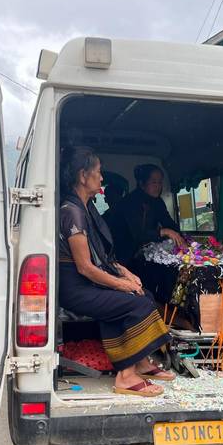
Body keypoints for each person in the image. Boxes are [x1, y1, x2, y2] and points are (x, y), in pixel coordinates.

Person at [59, 147, 174, 397]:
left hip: (87, 283)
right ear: (82, 176)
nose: (102, 178)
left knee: (145, 296)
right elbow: (85, 267)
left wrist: (125, 273)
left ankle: (141, 363)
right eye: (98, 172)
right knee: (136, 304)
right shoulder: (72, 212)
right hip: (75, 289)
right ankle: (125, 375)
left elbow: (104, 256)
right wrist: (120, 284)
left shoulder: (87, 208)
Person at [105, 163, 186, 266]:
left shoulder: (157, 201)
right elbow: (137, 234)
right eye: (153, 182)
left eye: (160, 182)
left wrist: (180, 237)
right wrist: (164, 231)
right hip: (125, 255)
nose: (158, 186)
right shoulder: (130, 202)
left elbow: (167, 222)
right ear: (142, 183)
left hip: (145, 252)